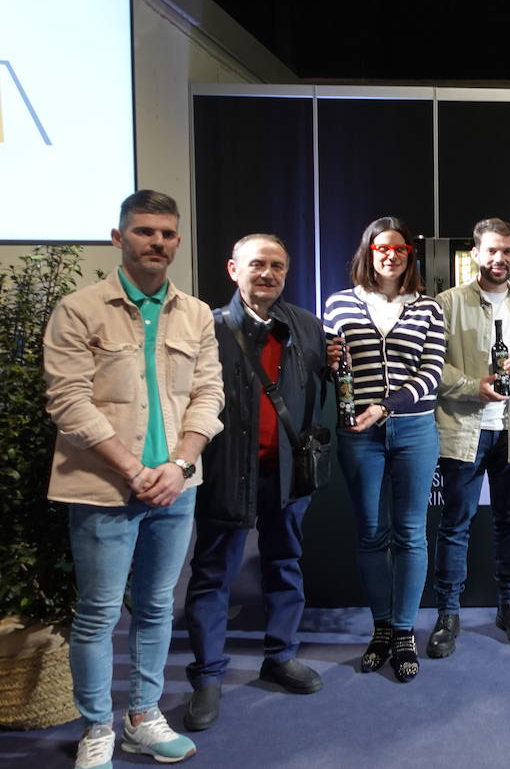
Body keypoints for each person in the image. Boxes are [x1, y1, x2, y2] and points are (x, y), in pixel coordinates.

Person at [45, 190, 224, 768]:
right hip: (102, 489)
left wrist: (178, 466)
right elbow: (68, 401)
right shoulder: (79, 309)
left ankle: (142, 717)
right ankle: (96, 728)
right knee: (99, 613)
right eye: (145, 231)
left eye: (168, 233)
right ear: (119, 239)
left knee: (155, 608)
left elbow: (207, 394)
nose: (158, 242)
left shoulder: (195, 313)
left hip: (175, 488)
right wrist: (134, 470)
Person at [183, 234, 331, 730]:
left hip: (286, 475)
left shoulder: (308, 327)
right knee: (211, 576)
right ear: (232, 269)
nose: (268, 274)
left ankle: (281, 654)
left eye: (278, 266)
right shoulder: (207, 326)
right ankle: (207, 676)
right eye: (257, 265)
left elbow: (326, 387)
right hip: (226, 473)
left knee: (285, 564)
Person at [323, 217, 445, 682]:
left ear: (409, 254)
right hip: (359, 434)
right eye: (381, 248)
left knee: (411, 533)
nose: (390, 254)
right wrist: (327, 360)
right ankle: (380, 629)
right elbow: (329, 365)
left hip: (414, 430)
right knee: (372, 533)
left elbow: (432, 373)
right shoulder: (337, 304)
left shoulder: (429, 308)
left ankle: (404, 632)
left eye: (398, 248)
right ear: (368, 252)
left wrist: (386, 407)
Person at [431, 218, 510, 651]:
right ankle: (448, 613)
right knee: (456, 524)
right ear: (475, 253)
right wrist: (472, 386)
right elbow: (432, 366)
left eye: (508, 251)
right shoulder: (446, 303)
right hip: (463, 429)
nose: (500, 259)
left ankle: (509, 605)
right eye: (492, 250)